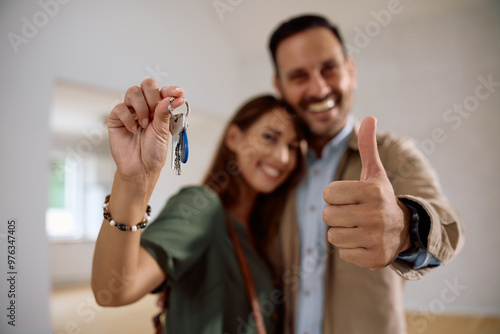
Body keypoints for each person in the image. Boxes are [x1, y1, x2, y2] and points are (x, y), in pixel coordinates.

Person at [267, 15, 465, 333]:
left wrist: (404, 225)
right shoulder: (276, 168)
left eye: (329, 68)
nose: (319, 88)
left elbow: (450, 229)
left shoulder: (393, 154)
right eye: (299, 76)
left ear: (351, 71)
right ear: (280, 87)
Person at [91, 79, 306, 333]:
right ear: (234, 138)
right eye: (270, 137)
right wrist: (132, 182)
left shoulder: (263, 229)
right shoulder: (202, 206)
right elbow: (112, 291)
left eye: (293, 147)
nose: (283, 157)